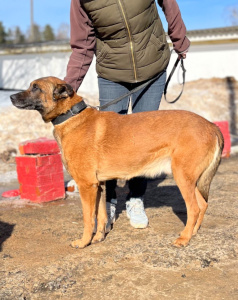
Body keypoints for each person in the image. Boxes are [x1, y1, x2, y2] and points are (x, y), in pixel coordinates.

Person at [64, 0, 190, 231]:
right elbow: (82, 45)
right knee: (107, 142)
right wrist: (67, 91)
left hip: (152, 66)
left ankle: (136, 198)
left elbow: (168, 3)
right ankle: (110, 200)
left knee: (144, 141)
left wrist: (179, 39)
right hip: (112, 73)